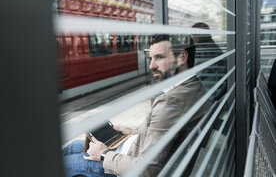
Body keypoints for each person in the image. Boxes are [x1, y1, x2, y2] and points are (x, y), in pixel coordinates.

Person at [63, 35, 210, 177]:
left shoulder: (170, 103)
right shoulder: (195, 88)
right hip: (135, 148)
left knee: (65, 162)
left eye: (159, 57)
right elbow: (163, 132)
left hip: (127, 163)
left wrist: (103, 154)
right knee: (72, 147)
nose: (151, 65)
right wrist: (133, 132)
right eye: (150, 58)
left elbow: (145, 171)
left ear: (182, 58)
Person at [191, 22, 227, 100]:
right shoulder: (212, 47)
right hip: (216, 92)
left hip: (210, 95)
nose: (192, 37)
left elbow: (199, 75)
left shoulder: (205, 51)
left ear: (199, 36)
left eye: (193, 35)